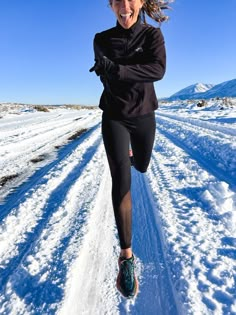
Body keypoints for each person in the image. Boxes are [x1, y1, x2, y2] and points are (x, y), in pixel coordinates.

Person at [90, 0, 172, 299]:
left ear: (140, 3)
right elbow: (105, 74)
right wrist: (115, 71)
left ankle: (134, 157)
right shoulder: (101, 39)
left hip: (144, 116)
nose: (125, 6)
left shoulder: (152, 36)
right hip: (113, 116)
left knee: (142, 165)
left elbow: (158, 70)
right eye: (118, 1)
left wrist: (119, 69)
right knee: (121, 180)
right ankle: (126, 257)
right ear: (111, 6)